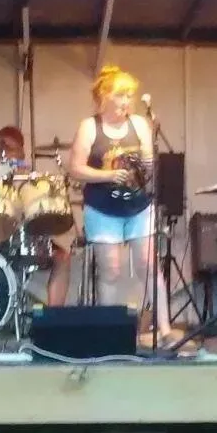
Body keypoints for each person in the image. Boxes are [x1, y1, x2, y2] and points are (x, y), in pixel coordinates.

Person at [68, 66, 156, 326]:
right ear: (105, 96)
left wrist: (146, 165)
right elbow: (75, 169)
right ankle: (110, 330)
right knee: (111, 270)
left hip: (138, 205)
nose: (127, 101)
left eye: (129, 96)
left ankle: (162, 328)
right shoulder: (89, 127)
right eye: (121, 95)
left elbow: (149, 162)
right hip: (103, 208)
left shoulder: (139, 124)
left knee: (149, 268)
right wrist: (108, 176)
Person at [0, 124, 72, 307]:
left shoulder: (31, 180)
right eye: (1, 149)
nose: (5, 154)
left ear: (21, 152)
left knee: (63, 257)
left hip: (31, 239)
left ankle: (53, 317)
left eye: (10, 149)